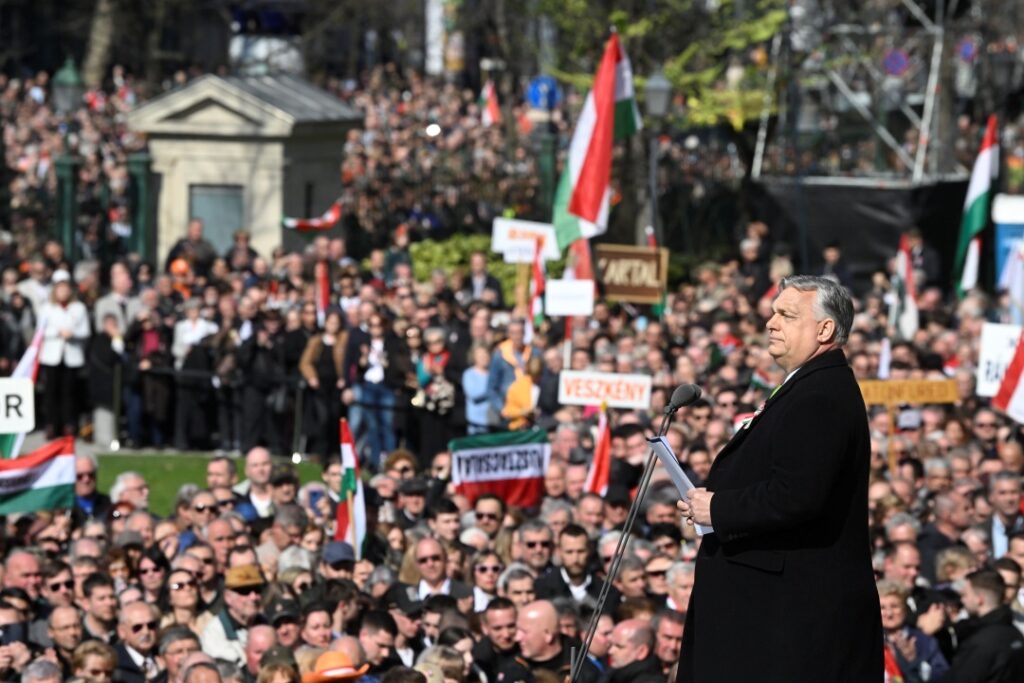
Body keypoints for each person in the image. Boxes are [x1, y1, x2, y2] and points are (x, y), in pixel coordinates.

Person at [677, 275, 882, 681]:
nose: (771, 322)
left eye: (786, 315)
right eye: (773, 312)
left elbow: (797, 495)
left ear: (824, 329)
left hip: (788, 623)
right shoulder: (806, 387)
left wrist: (717, 507)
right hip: (771, 615)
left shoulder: (821, 395)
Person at [944, 569, 1024, 681]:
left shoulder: (982, 642)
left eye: (965, 594)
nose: (962, 600)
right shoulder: (1015, 633)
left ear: (979, 599)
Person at [38, 269, 90, 437]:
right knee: (51, 392)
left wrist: (72, 333)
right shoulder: (47, 308)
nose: (63, 291)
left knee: (69, 393)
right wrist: (57, 332)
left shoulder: (79, 308)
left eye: (65, 287)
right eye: (59, 288)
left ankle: (69, 424)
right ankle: (52, 424)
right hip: (51, 356)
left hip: (71, 356)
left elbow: (85, 331)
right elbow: (41, 331)